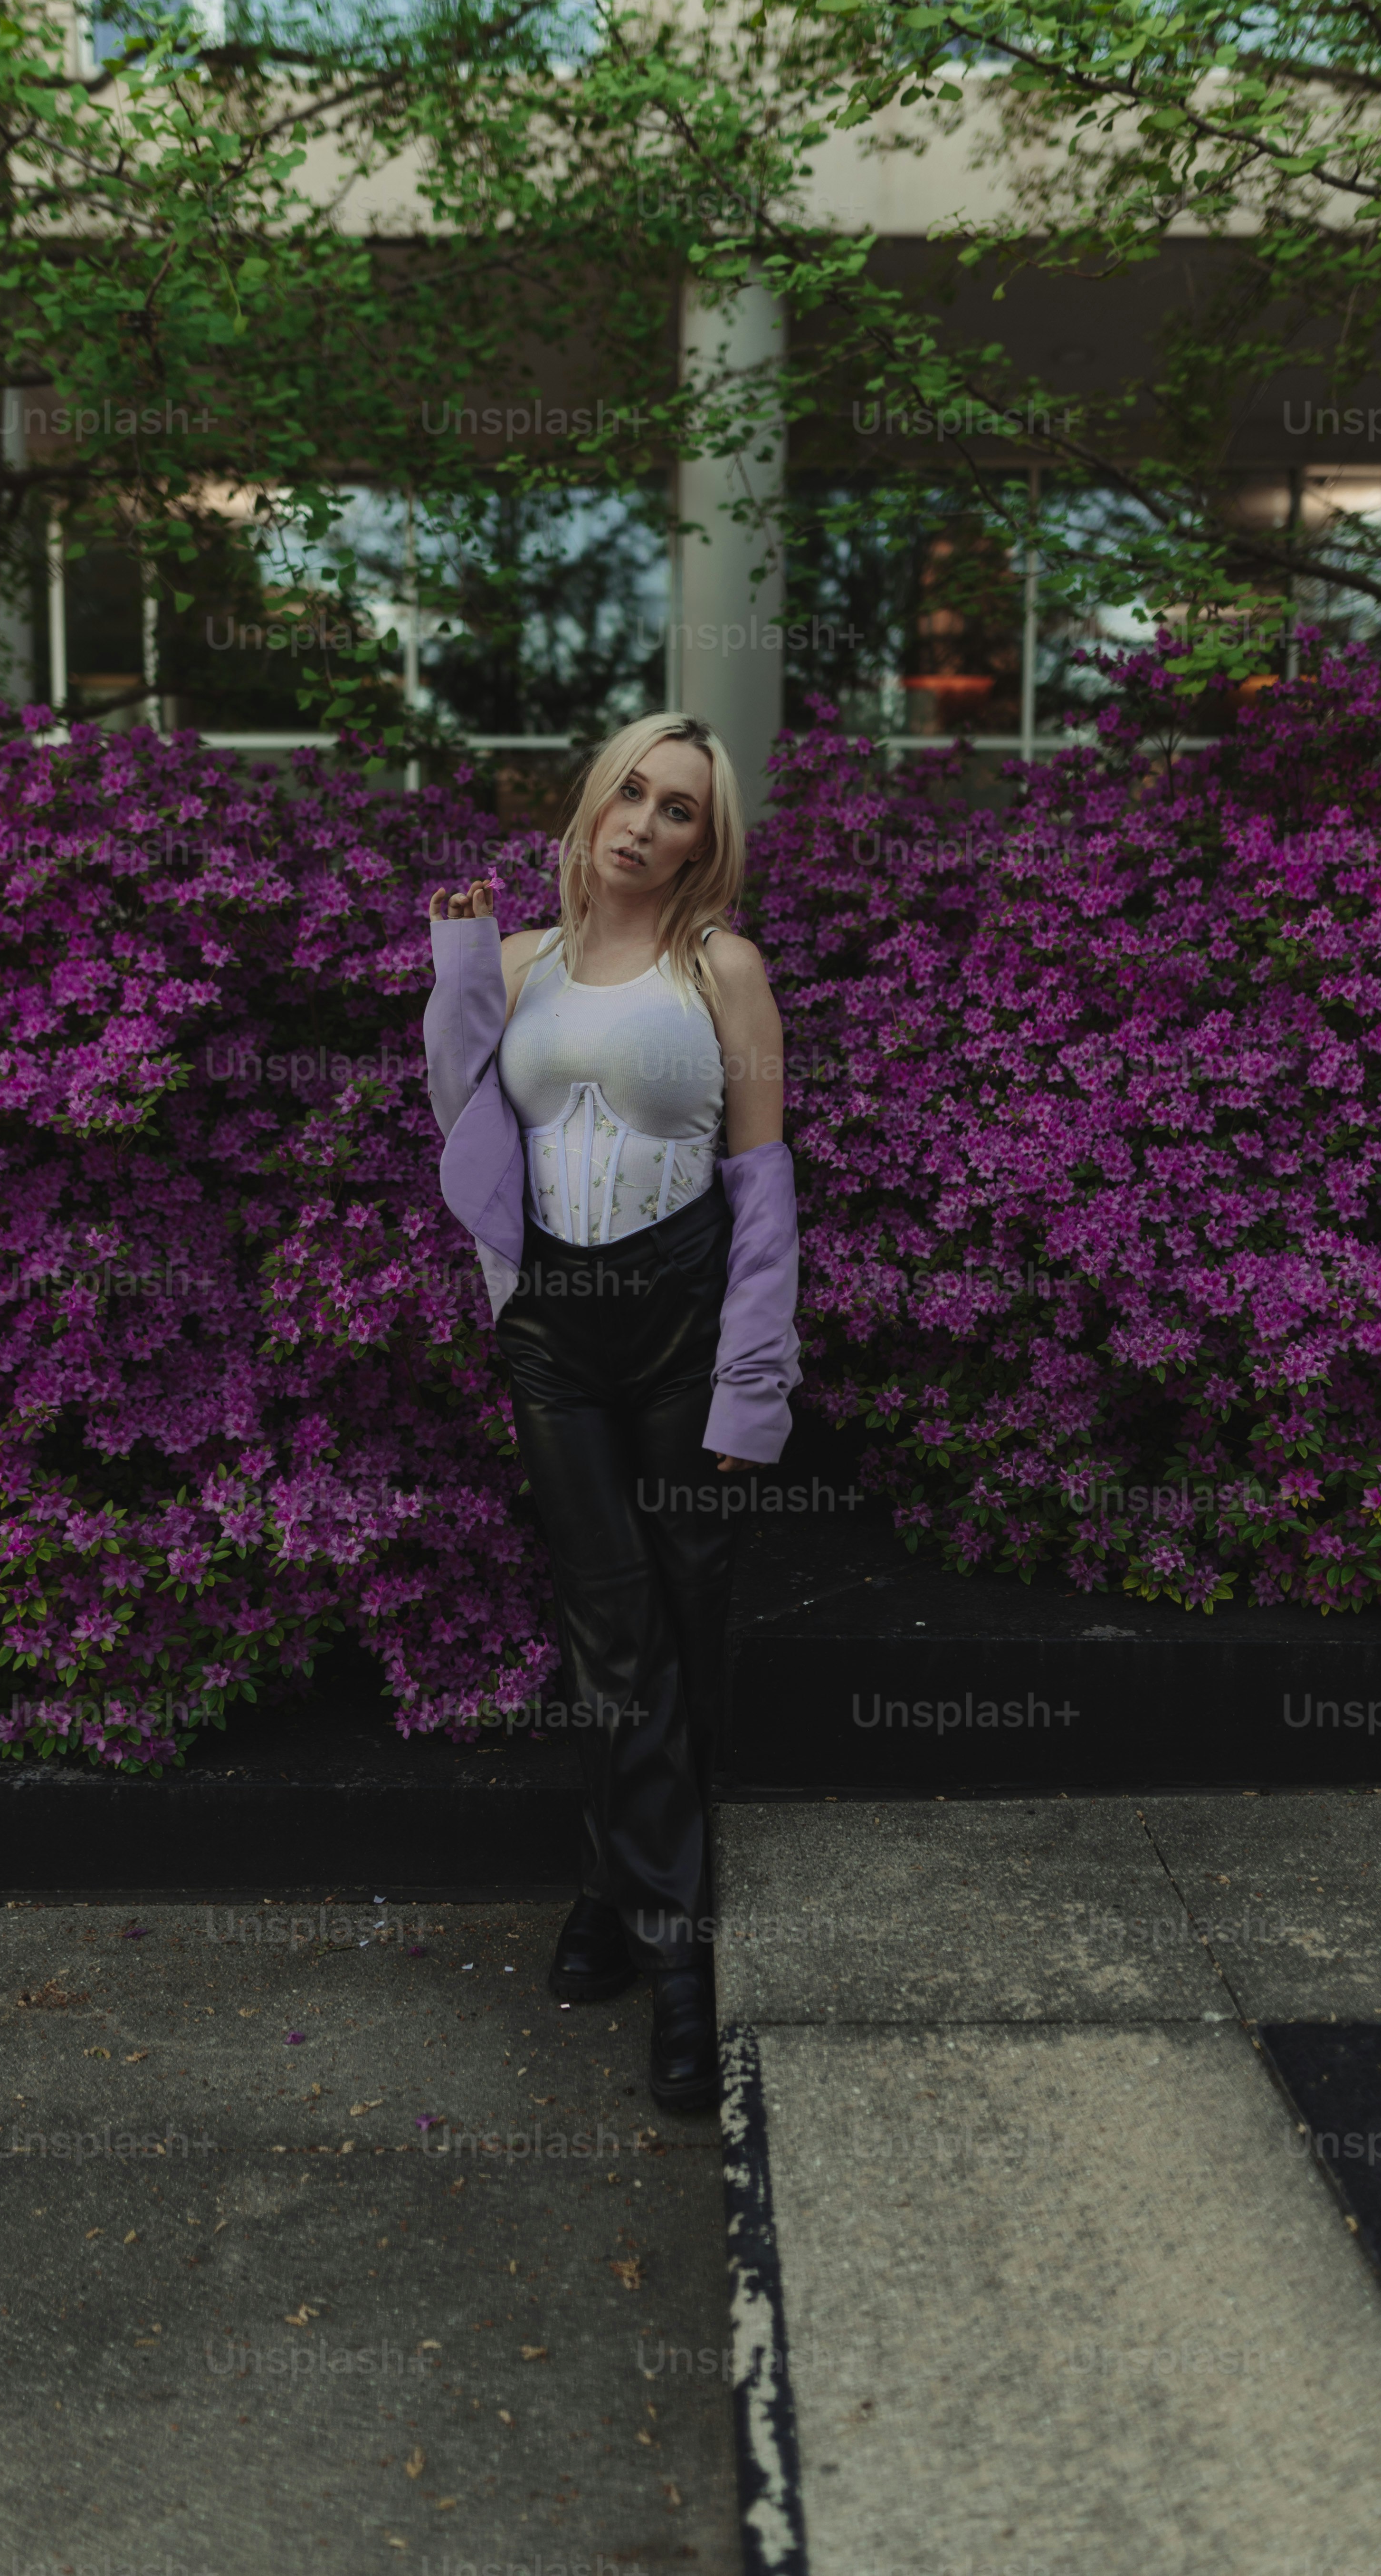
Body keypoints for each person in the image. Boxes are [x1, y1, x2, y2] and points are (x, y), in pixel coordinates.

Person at [422, 712, 800, 2113]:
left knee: (684, 1626)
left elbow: (761, 1188)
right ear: (593, 805)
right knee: (613, 1627)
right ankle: (680, 1962)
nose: (646, 822)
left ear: (709, 841)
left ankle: (607, 1890)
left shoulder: (725, 972)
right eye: (630, 792)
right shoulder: (518, 965)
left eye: (681, 809)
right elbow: (463, 1116)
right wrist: (464, 964)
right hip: (555, 1335)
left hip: (687, 1322)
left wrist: (755, 1385)